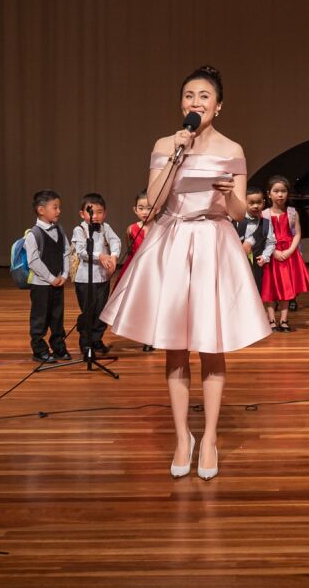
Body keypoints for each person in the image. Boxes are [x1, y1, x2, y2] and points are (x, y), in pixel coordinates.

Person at [100, 65, 269, 480]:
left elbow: (238, 214)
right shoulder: (165, 144)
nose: (196, 102)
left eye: (204, 96)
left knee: (212, 345)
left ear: (219, 106)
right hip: (173, 243)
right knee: (175, 347)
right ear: (181, 103)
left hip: (214, 243)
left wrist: (230, 196)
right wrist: (176, 156)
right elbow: (155, 204)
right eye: (189, 96)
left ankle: (209, 437)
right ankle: (182, 437)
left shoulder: (232, 148)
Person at [71, 193, 122, 359]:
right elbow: (81, 251)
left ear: (105, 213)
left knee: (101, 310)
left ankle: (96, 339)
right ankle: (86, 343)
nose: (95, 216)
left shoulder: (106, 227)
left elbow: (115, 241)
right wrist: (100, 256)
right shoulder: (79, 230)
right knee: (88, 311)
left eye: (99, 212)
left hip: (102, 277)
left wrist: (113, 256)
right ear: (82, 214)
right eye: (91, 212)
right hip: (85, 279)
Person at [23, 190, 71, 363]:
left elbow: (66, 251)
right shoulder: (33, 234)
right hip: (41, 284)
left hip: (58, 282)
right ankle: (39, 349)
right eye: (55, 207)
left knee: (57, 317)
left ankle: (58, 347)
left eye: (59, 207)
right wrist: (51, 278)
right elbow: (34, 261)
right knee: (40, 317)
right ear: (41, 210)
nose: (59, 211)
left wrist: (64, 274)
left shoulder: (59, 229)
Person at [258, 176, 309, 332]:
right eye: (276, 191)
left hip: (288, 254)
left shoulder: (292, 213)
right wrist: (273, 252)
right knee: (270, 287)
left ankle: (284, 320)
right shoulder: (264, 214)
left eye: (283, 191)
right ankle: (271, 320)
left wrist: (289, 251)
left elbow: (297, 234)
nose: (280, 195)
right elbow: (262, 237)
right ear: (269, 194)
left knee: (286, 287)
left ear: (288, 193)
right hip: (271, 254)